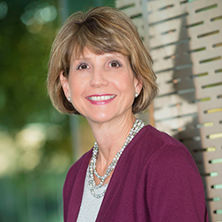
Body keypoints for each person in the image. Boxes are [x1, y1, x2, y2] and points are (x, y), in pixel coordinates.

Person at [47, 6, 209, 222]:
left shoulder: (166, 162)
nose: (98, 80)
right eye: (83, 66)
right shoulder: (75, 177)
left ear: (137, 80)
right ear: (66, 86)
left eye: (113, 63)